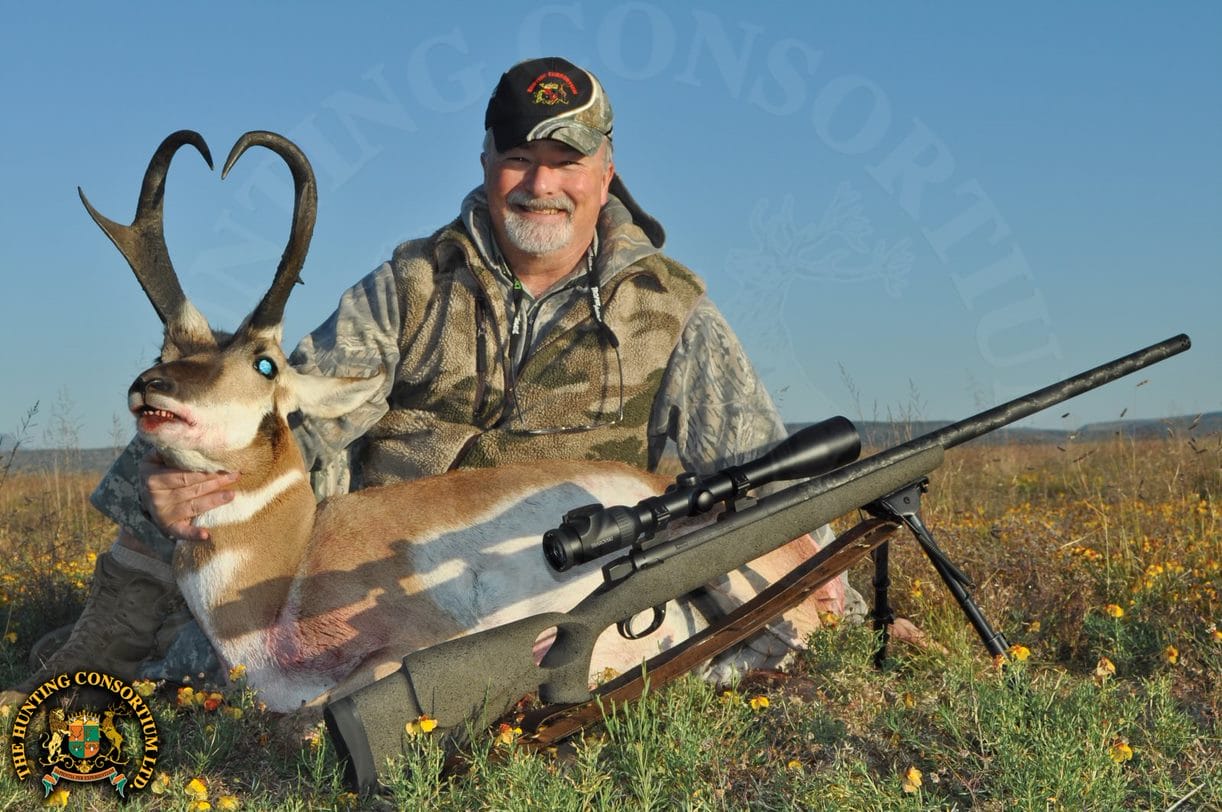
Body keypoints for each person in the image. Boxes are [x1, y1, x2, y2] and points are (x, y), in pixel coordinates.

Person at [3, 57, 867, 704]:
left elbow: (770, 478)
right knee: (203, 415)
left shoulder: (672, 313)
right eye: (519, 158)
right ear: (487, 163)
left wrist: (844, 602)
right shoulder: (411, 286)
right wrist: (187, 476)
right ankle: (103, 644)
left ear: (605, 174)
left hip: (557, 570)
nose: (541, 184)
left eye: (565, 161)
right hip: (377, 577)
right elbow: (305, 418)